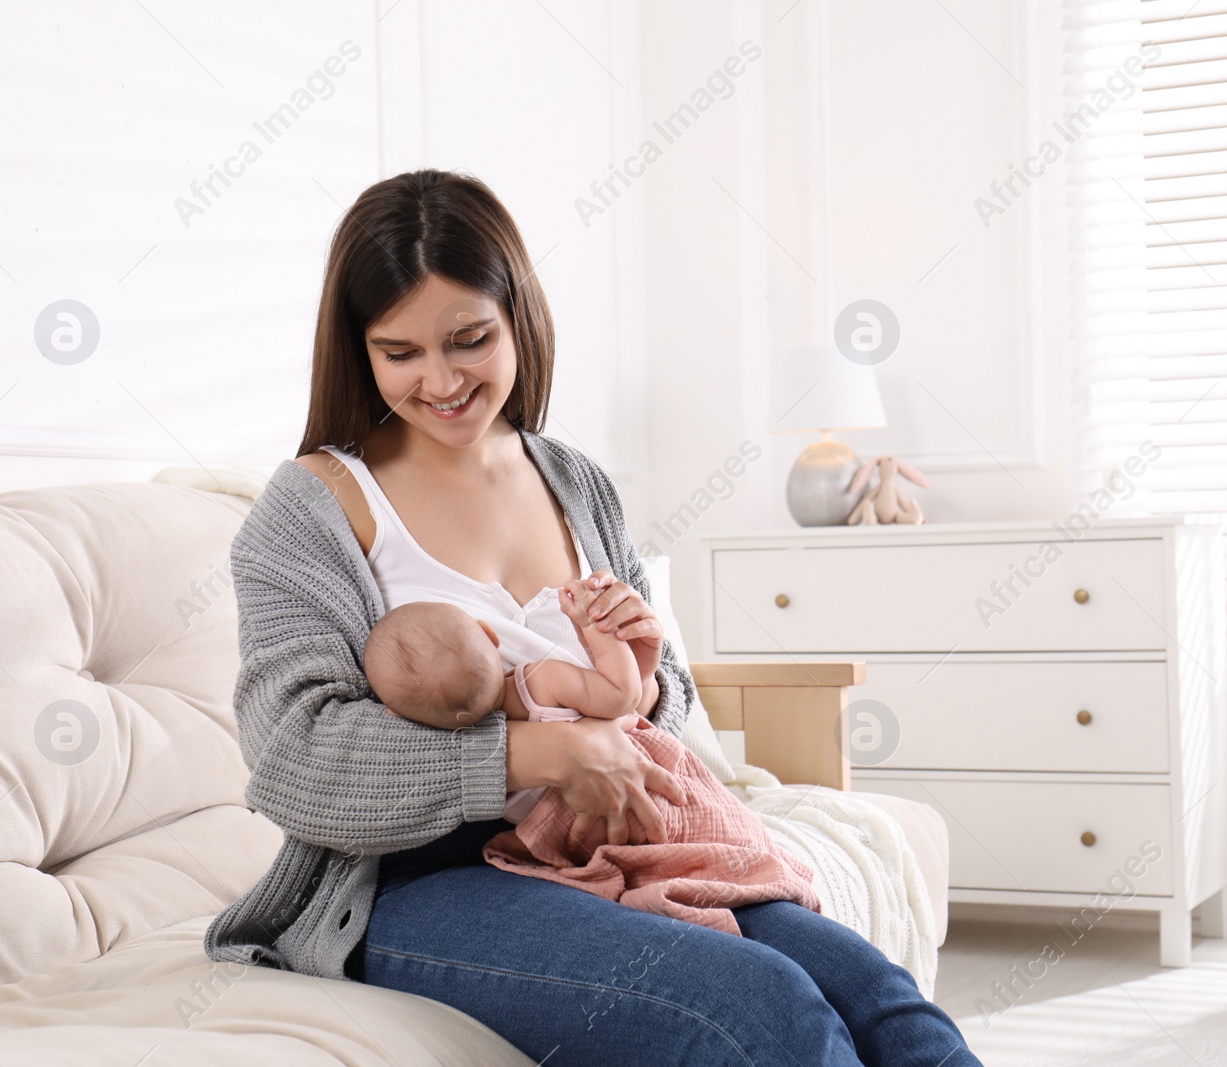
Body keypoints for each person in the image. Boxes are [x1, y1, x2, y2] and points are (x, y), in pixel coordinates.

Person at [204, 167, 983, 1066]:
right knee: (760, 1009)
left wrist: (643, 673)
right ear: (360, 349)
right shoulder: (311, 510)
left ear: (519, 318)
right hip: (422, 879)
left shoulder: (574, 481)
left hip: (626, 844)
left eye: (469, 339)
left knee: (889, 1008)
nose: (442, 379)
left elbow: (659, 716)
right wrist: (540, 752)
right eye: (401, 352)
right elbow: (292, 757)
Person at [361, 588, 821, 934]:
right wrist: (594, 635)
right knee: (725, 832)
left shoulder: (455, 752)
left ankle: (676, 898)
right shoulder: (535, 682)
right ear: (488, 634)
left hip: (584, 842)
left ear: (397, 715)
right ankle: (756, 872)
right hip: (648, 799)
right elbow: (621, 698)